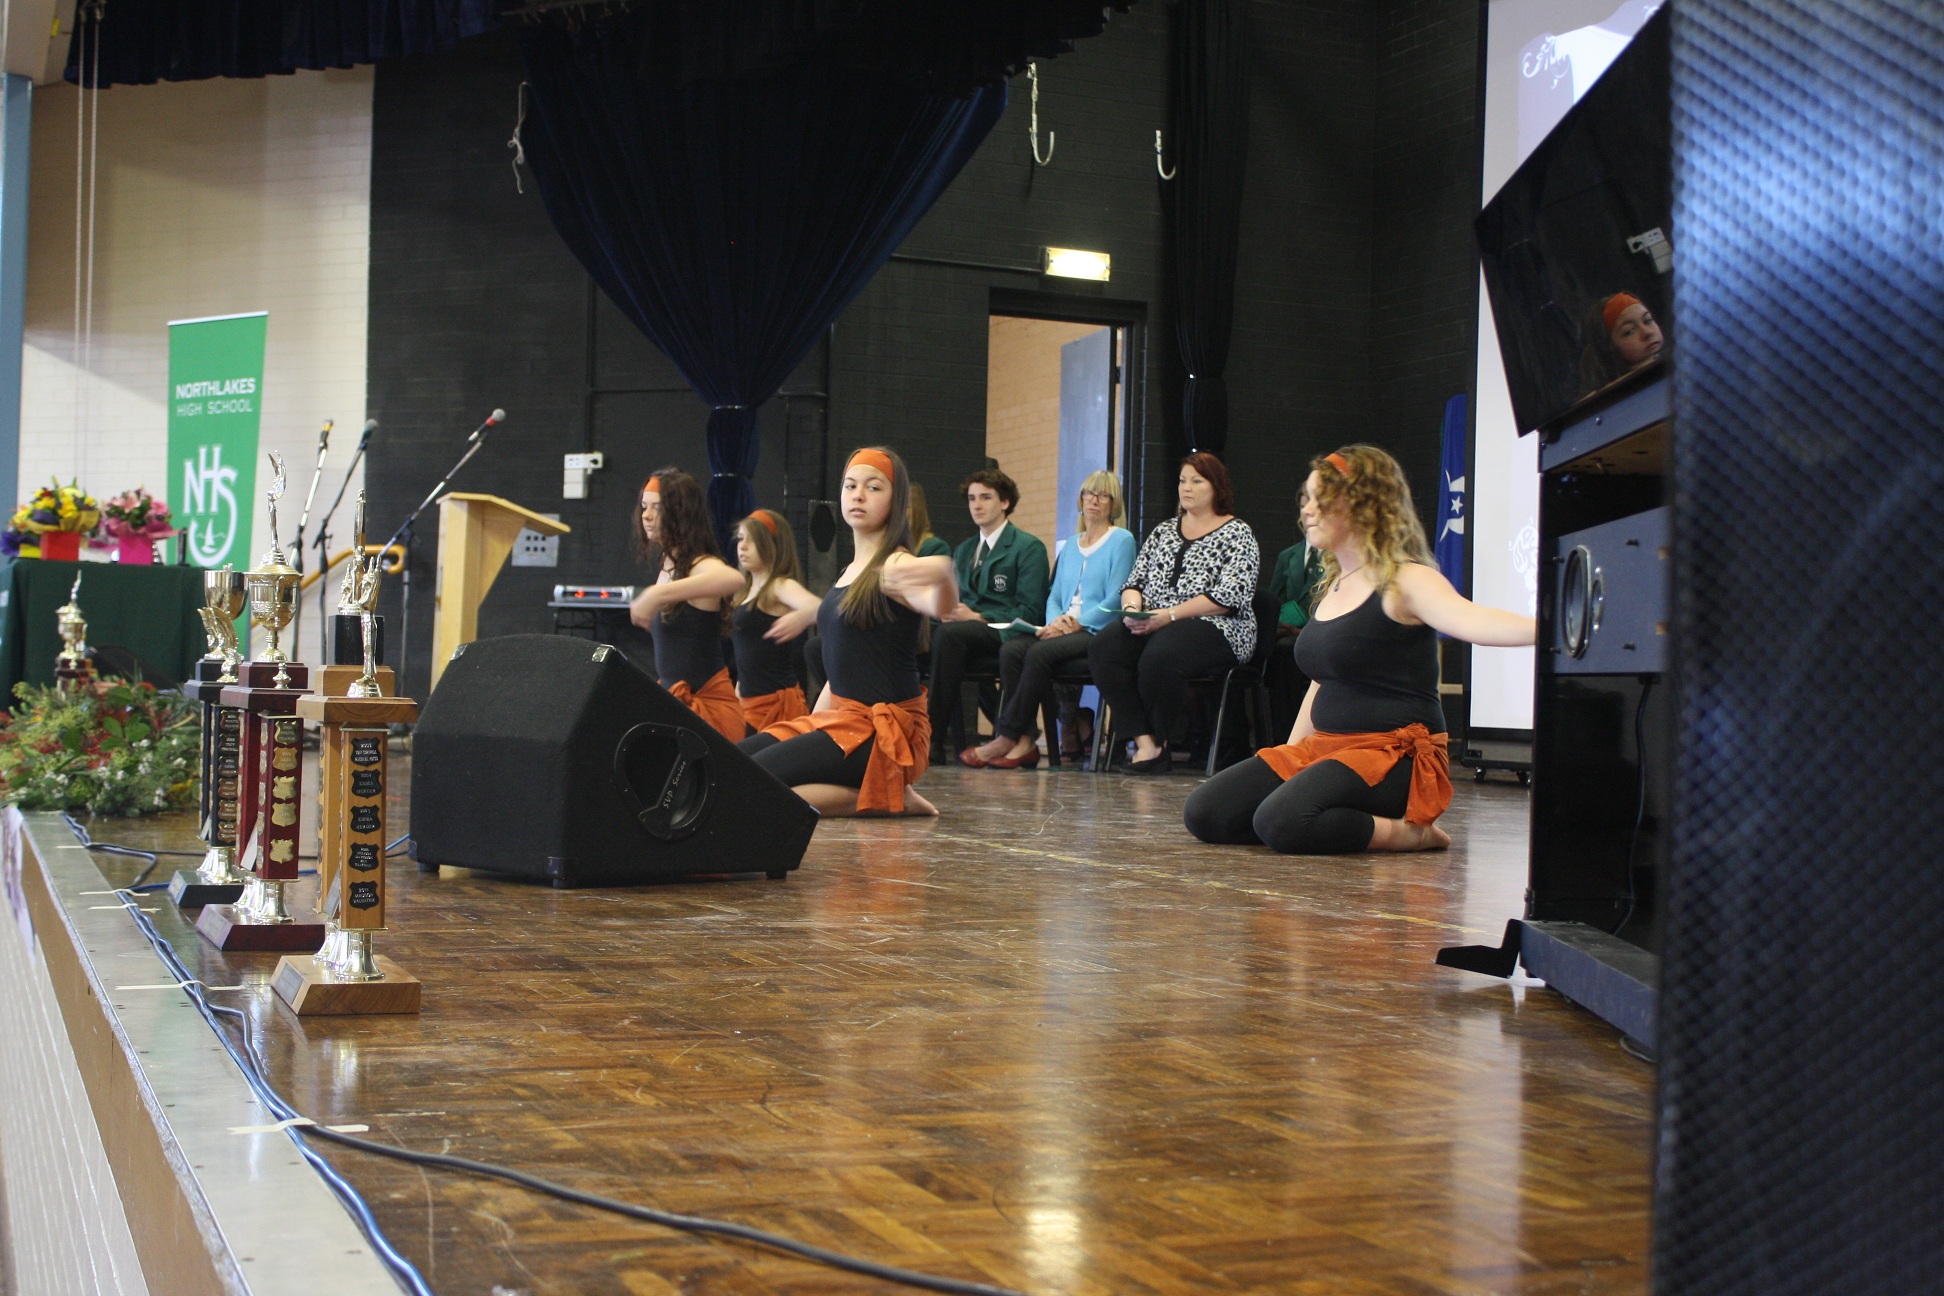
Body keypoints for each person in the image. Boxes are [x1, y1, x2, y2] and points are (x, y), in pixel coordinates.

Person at [1183, 445, 1536, 854]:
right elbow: (1323, 679)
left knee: (1280, 820)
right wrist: (1292, 755)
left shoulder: (1406, 581)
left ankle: (1409, 834)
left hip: (1392, 756)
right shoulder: (1334, 585)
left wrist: (1549, 630)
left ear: (1363, 503)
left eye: (1321, 498)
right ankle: (1312, 817)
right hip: (1329, 748)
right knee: (1206, 812)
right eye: (1307, 498)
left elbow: (1471, 620)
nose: (1308, 510)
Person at [739, 447, 958, 817]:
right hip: (845, 722)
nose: (858, 495)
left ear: (896, 500)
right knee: (734, 762)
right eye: (850, 486)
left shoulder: (897, 563)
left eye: (874, 488)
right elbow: (841, 669)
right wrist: (809, 729)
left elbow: (940, 606)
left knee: (754, 782)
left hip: (883, 735)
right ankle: (889, 794)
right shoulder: (849, 571)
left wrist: (944, 572)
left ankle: (890, 795)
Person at [1088, 452, 1260, 774]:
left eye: (1197, 480)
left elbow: (1227, 596)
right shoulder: (1163, 531)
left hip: (1218, 626)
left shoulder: (1238, 534)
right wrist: (1131, 610)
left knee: (1161, 654)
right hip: (1154, 620)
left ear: (1217, 487)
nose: (1187, 487)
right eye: (1182, 480)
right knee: (1105, 647)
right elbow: (1134, 582)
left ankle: (1165, 740)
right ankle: (1146, 744)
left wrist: (1168, 615)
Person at [964, 471, 1136, 768]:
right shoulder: (1071, 544)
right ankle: (1025, 741)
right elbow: (1054, 594)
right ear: (1080, 499)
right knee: (1013, 649)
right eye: (1088, 493)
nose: (1094, 500)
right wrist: (1057, 622)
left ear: (1113, 503)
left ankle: (1006, 735)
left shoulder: (1121, 540)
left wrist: (1077, 623)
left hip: (1096, 629)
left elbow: (1116, 597)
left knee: (1039, 653)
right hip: (1062, 628)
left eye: (1103, 495)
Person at [928, 468, 1049, 763]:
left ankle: (930, 737)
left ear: (1005, 502)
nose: (977, 505)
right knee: (924, 631)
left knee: (950, 636)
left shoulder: (1027, 547)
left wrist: (979, 616)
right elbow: (957, 599)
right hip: (965, 632)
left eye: (985, 497)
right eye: (971, 499)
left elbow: (1030, 609)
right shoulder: (966, 548)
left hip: (1006, 631)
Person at [629, 470, 746, 743]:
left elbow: (733, 578)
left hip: (707, 713)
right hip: (678, 705)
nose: (646, 516)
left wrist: (656, 595)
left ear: (681, 513)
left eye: (657, 508)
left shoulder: (699, 563)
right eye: (644, 507)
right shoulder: (668, 566)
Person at [731, 509, 822, 733]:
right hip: (748, 704)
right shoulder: (744, 591)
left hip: (774, 707)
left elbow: (821, 607)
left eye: (752, 541)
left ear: (771, 545)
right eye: (741, 539)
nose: (742, 546)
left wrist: (801, 617)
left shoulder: (778, 585)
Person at [1266, 536, 1327, 737]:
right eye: (1303, 505)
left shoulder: (1341, 555)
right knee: (1282, 651)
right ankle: (1283, 738)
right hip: (1289, 636)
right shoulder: (1288, 555)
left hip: (1323, 633)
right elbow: (1275, 600)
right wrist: (1282, 625)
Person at [1579, 292, 1666, 393]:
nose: (1647, 333)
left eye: (1648, 320)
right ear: (1610, 347)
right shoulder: (1607, 398)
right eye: (1629, 331)